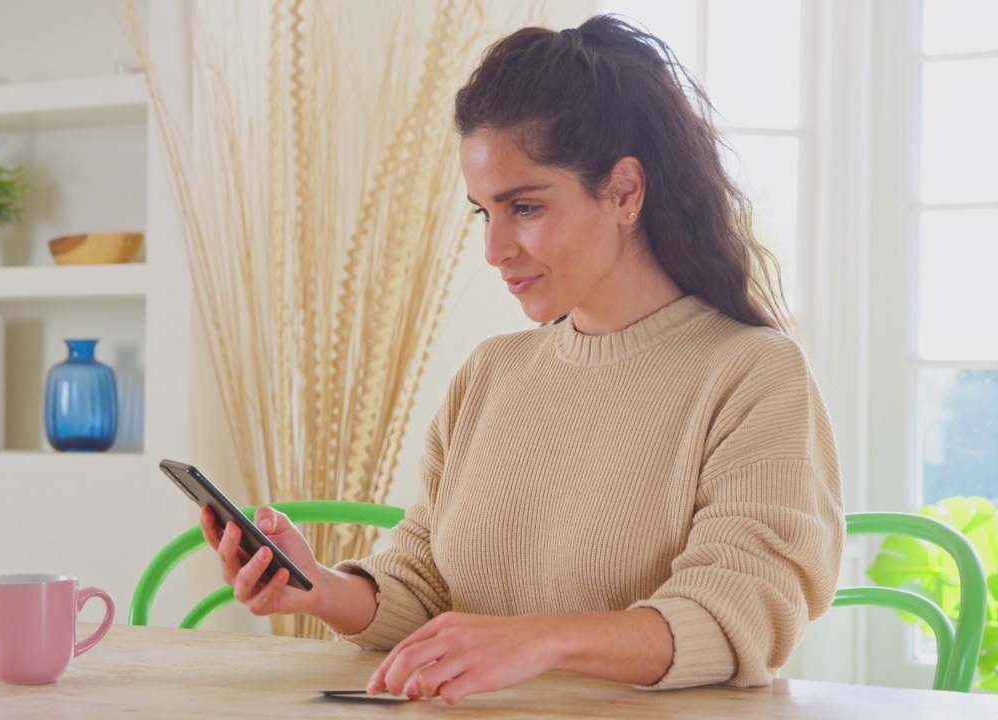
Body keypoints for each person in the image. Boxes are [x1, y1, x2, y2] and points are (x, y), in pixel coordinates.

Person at [200, 15, 844, 704]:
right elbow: (426, 588)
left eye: (525, 208)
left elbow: (739, 615)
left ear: (624, 190)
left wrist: (543, 640)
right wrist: (320, 587)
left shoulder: (753, 374)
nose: (495, 249)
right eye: (483, 213)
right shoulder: (491, 375)